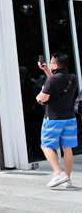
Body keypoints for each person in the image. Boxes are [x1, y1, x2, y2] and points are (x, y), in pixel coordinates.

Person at [37, 52, 78, 188]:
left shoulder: (51, 81)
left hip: (54, 118)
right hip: (70, 118)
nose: (49, 63)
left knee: (46, 145)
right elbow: (57, 83)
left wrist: (38, 96)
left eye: (50, 62)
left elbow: (43, 98)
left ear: (55, 64)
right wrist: (47, 70)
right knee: (67, 147)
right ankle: (67, 179)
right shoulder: (72, 77)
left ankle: (58, 173)